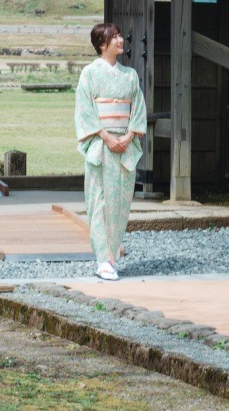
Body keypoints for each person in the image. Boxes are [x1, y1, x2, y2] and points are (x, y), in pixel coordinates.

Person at [74, 21, 147, 280]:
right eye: (114, 37)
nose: (120, 40)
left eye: (119, 36)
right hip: (101, 146)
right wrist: (106, 137)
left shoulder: (130, 76)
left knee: (121, 203)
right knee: (100, 202)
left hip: (124, 146)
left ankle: (113, 253)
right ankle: (102, 258)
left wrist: (128, 137)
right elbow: (85, 111)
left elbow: (137, 110)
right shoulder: (90, 74)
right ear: (102, 44)